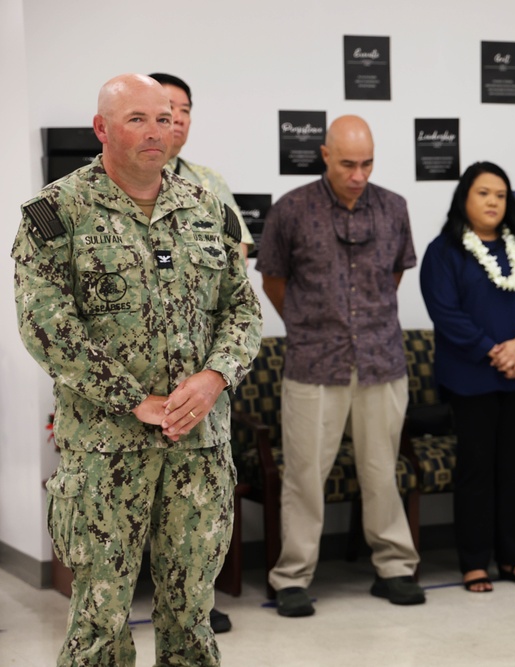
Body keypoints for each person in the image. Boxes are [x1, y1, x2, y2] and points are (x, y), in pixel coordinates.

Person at [12, 74, 262, 667]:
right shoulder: (56, 213)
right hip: (106, 453)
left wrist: (214, 377)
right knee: (98, 624)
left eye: (166, 118)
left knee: (192, 620)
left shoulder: (207, 208)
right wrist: (132, 399)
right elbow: (45, 325)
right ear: (102, 128)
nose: (158, 132)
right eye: (138, 119)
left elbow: (242, 309)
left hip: (198, 447)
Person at [256, 115, 425, 614]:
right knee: (305, 474)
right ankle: (292, 577)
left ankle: (394, 566)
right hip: (313, 362)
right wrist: (312, 326)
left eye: (367, 163)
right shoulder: (291, 210)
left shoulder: (394, 207)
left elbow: (394, 273)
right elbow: (273, 280)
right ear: (325, 154)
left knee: (380, 470)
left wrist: (362, 325)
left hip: (381, 360)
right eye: (348, 163)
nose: (358, 174)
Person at [420, 161, 515, 593]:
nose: (493, 201)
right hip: (470, 377)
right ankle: (475, 562)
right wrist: (493, 351)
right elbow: (445, 312)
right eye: (483, 193)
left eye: (500, 194)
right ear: (464, 198)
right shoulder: (444, 251)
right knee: (477, 469)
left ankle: (514, 558)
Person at [149, 70, 250, 634]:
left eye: (182, 109)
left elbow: (235, 288)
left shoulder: (209, 188)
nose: (174, 119)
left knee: (197, 525)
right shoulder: (81, 196)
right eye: (162, 109)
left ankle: (197, 602)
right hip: (131, 403)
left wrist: (214, 374)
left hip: (203, 388)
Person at [148, 72, 254, 260]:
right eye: (170, 108)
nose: (179, 118)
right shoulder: (116, 175)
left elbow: (239, 245)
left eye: (186, 110)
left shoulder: (208, 179)